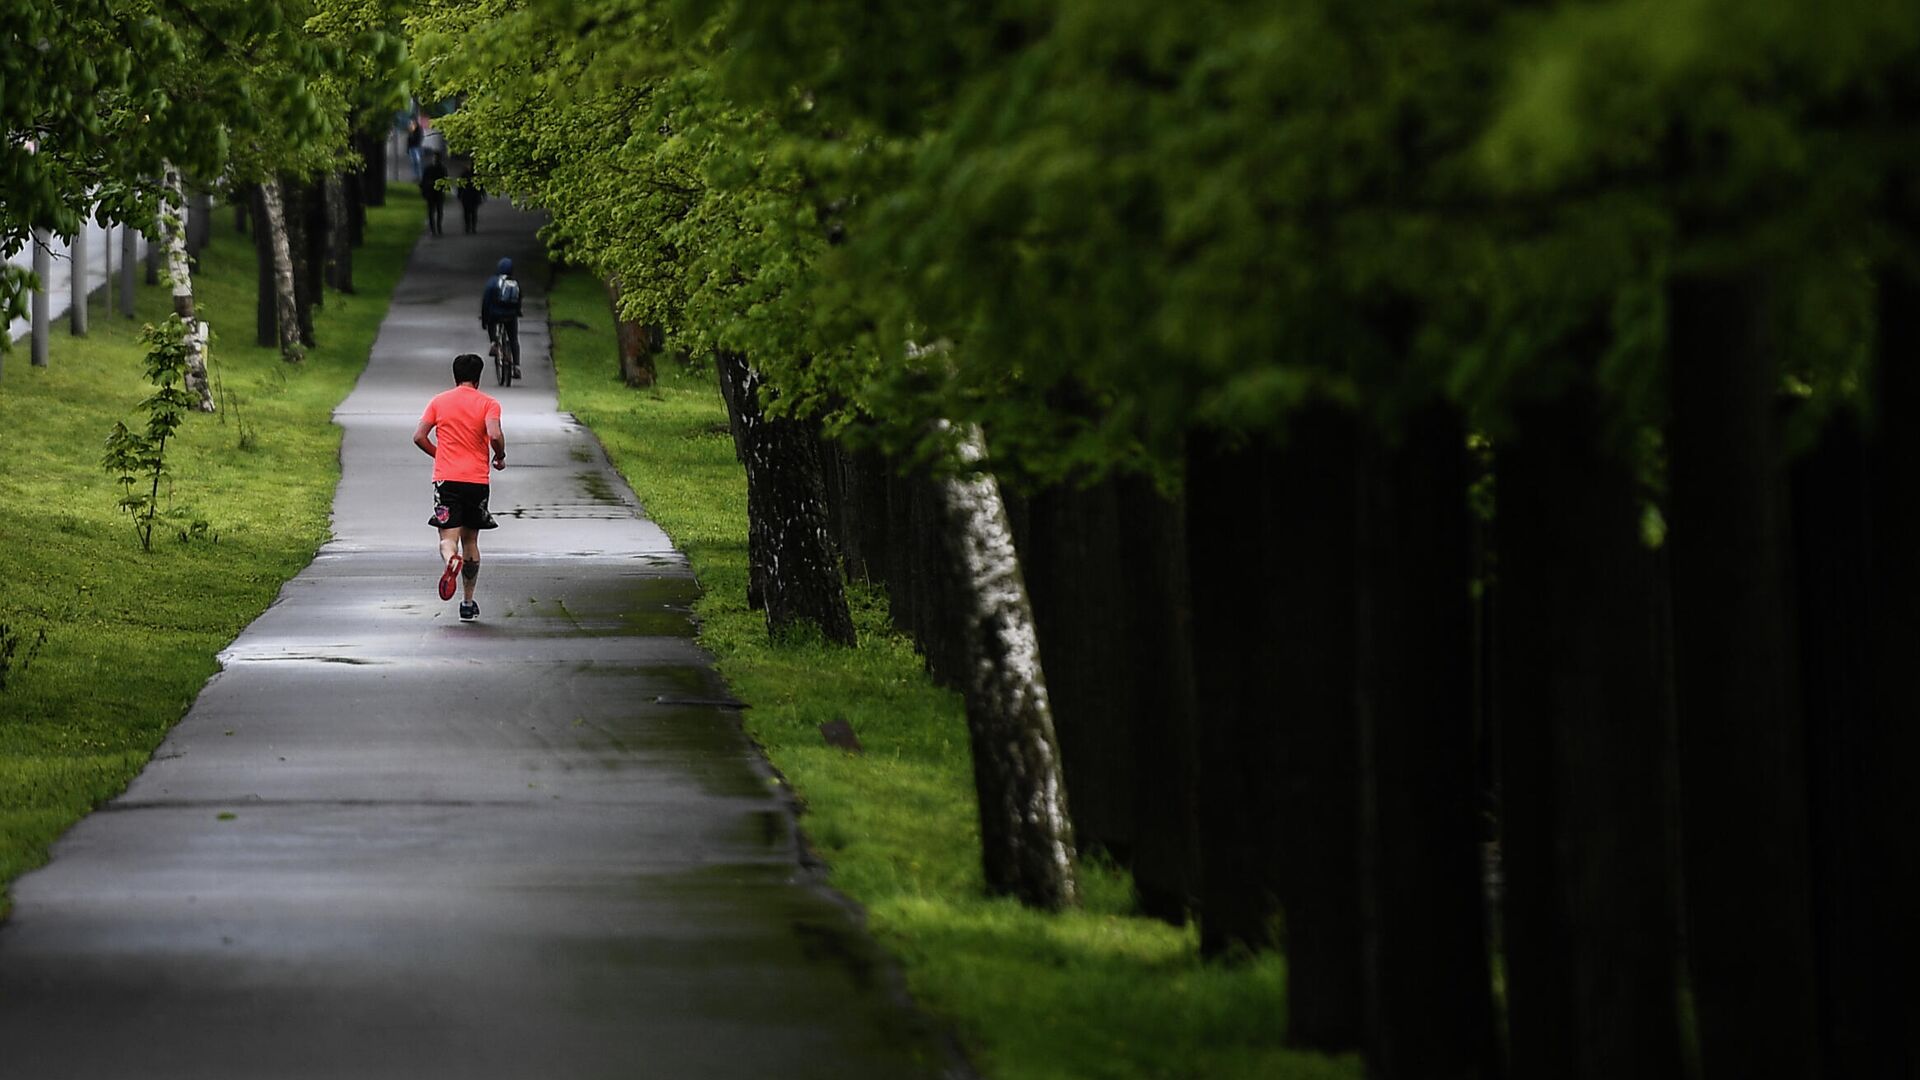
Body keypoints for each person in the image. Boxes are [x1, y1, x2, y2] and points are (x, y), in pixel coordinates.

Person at [412, 353, 506, 621]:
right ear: (479, 376)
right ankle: (467, 601)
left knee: (447, 539)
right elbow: (495, 434)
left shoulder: (439, 401)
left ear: (454, 375)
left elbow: (419, 436)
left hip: (447, 480)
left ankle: (450, 559)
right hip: (476, 481)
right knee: (471, 540)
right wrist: (499, 455)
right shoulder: (489, 403)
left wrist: (439, 454)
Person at [480, 257, 523, 378]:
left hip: (496, 315)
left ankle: (494, 342)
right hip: (510, 316)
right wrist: (517, 312)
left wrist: (484, 320)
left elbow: (486, 303)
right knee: (513, 339)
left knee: (491, 323)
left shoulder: (492, 282)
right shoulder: (514, 282)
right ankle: (516, 366)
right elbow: (519, 300)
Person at [420, 152, 448, 237]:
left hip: (437, 193)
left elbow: (445, 180)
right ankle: (434, 229)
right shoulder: (429, 169)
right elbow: (423, 181)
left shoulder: (441, 169)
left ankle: (437, 228)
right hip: (431, 193)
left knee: (438, 212)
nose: (435, 160)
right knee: (432, 212)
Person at [455, 164, 485, 234]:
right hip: (469, 196)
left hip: (469, 196)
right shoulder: (468, 174)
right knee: (471, 212)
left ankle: (469, 227)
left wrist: (459, 195)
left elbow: (460, 186)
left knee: (470, 213)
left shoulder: (466, 174)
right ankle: (470, 227)